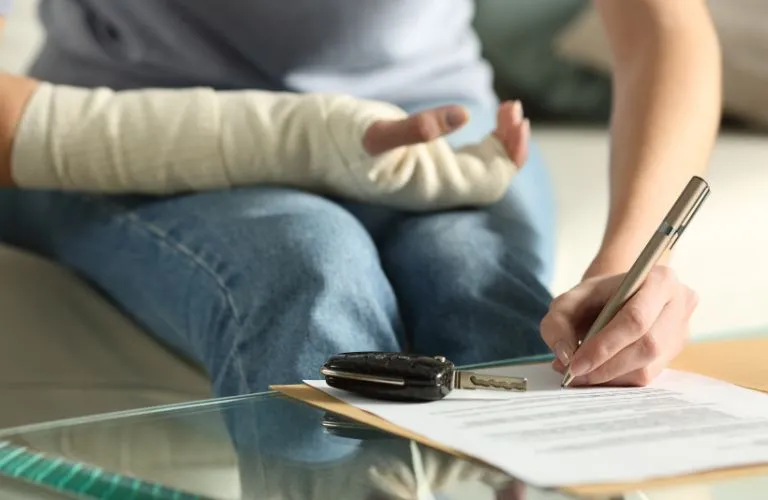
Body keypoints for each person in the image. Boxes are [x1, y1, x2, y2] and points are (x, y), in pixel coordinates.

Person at [0, 1, 721, 399]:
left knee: (495, 312)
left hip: (447, 140)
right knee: (309, 272)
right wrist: (307, 138)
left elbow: (663, 24)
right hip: (136, 136)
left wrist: (627, 268)